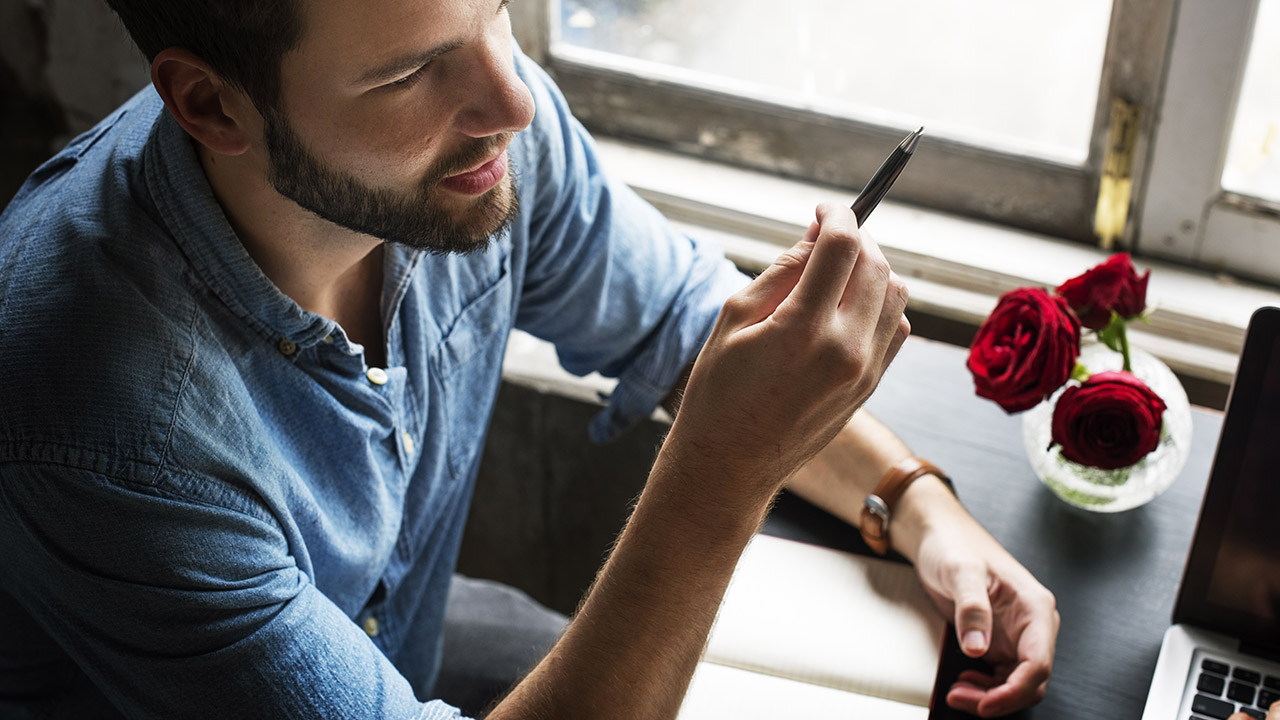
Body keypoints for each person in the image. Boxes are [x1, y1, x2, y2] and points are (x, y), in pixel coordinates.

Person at [0, 0, 1059, 718]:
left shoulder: (477, 141)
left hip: (402, 640)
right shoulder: (100, 433)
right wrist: (719, 471)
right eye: (415, 70)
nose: (511, 100)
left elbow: (684, 321)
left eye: (495, 14)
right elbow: (720, 410)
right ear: (212, 106)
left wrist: (917, 509)